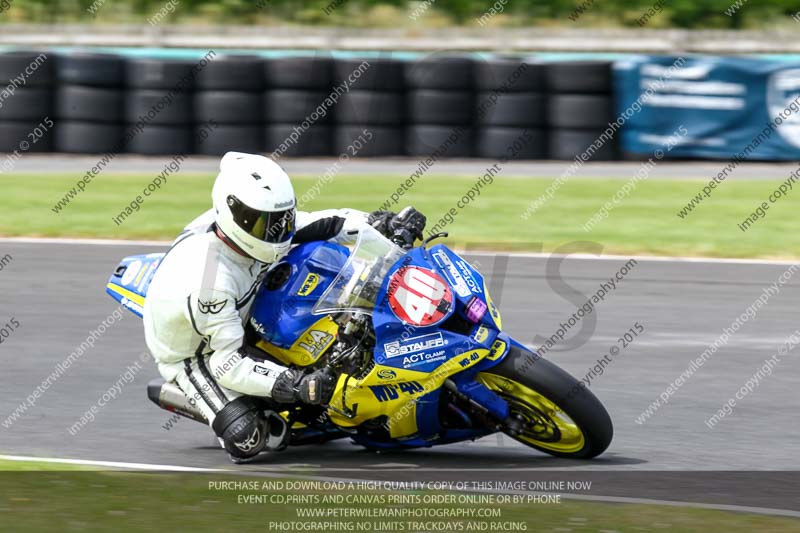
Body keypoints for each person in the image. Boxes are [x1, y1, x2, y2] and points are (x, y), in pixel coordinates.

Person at [143, 151, 425, 462]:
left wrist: (380, 221)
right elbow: (228, 362)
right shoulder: (210, 282)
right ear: (234, 216)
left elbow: (327, 223)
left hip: (244, 303)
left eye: (284, 219)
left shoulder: (260, 225)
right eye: (267, 224)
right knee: (249, 439)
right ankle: (216, 402)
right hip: (201, 354)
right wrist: (295, 385)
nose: (278, 232)